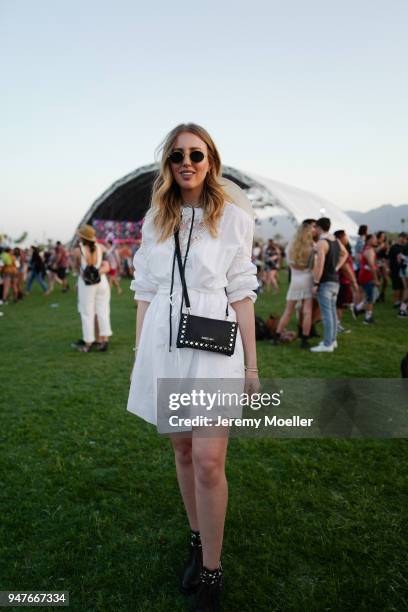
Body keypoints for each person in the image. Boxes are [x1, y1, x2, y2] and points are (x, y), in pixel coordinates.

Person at [127, 123, 259, 611]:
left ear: (211, 162)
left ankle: (213, 570)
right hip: (164, 342)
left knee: (208, 459)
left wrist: (252, 367)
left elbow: (243, 291)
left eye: (196, 155)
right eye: (178, 155)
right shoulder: (154, 220)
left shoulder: (233, 219)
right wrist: (140, 356)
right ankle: (196, 538)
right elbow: (144, 291)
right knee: (183, 452)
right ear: (169, 163)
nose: (187, 162)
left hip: (214, 345)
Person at [273, 222, 315, 349]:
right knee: (307, 311)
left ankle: (277, 336)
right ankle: (304, 340)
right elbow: (313, 266)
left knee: (288, 311)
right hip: (307, 278)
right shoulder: (312, 247)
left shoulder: (291, 246)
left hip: (295, 279)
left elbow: (288, 263)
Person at [72, 225, 112, 352]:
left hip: (87, 284)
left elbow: (76, 268)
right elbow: (106, 264)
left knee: (87, 313)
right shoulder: (100, 248)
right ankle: (104, 340)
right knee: (103, 311)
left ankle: (88, 342)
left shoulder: (78, 250)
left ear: (82, 237)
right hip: (102, 281)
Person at [310, 218, 348, 352]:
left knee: (327, 315)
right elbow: (345, 253)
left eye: (315, 227)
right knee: (332, 314)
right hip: (335, 281)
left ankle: (327, 344)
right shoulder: (335, 240)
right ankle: (332, 341)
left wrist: (315, 282)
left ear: (319, 227)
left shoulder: (322, 243)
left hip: (325, 282)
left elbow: (320, 264)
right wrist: (336, 267)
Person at [333, 230, 359, 334]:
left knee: (340, 304)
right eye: (345, 236)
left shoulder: (340, 250)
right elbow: (345, 267)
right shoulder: (340, 251)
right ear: (340, 238)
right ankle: (337, 325)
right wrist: (354, 282)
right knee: (340, 305)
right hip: (343, 281)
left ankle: (336, 324)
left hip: (343, 281)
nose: (347, 238)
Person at [355, 234, 380, 324]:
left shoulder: (367, 249)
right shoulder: (369, 251)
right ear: (369, 240)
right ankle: (367, 318)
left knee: (371, 296)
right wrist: (376, 279)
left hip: (364, 275)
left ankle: (357, 309)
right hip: (368, 276)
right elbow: (372, 267)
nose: (376, 240)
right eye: (374, 239)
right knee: (371, 298)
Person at [389, 233, 407, 308]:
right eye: (403, 238)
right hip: (395, 269)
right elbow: (389, 258)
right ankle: (396, 302)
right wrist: (388, 268)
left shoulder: (405, 247)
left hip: (403, 269)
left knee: (403, 286)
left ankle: (401, 301)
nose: (403, 239)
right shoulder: (394, 247)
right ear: (400, 238)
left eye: (405, 238)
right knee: (396, 287)